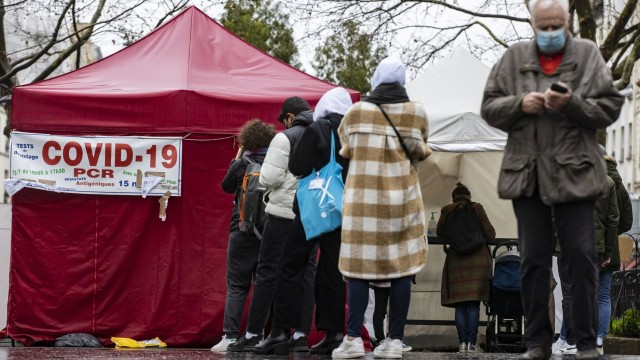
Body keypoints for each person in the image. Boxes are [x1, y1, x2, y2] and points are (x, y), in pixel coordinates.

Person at [481, 0, 624, 358]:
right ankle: (537, 343)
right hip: (527, 175)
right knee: (533, 260)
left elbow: (610, 107)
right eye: (542, 27)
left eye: (554, 26)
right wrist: (520, 105)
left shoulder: (588, 55)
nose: (549, 33)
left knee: (581, 258)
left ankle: (587, 343)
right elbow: (488, 107)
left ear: (567, 23)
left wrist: (571, 103)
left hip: (576, 175)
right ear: (532, 26)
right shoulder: (514, 58)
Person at [331, 55, 431, 359]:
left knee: (359, 268)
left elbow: (345, 147)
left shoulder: (357, 112)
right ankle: (395, 341)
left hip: (363, 201)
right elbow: (422, 149)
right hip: (403, 200)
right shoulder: (416, 113)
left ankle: (351, 340)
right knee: (402, 268)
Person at [255, 87, 353, 355]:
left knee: (290, 265)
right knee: (332, 270)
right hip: (340, 208)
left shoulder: (318, 128)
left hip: (313, 207)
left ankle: (280, 331)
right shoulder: (353, 132)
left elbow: (298, 166)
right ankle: (333, 333)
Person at [227, 97, 318, 352]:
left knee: (268, 272)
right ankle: (299, 335)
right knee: (305, 274)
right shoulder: (322, 133)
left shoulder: (284, 137)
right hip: (311, 214)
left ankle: (255, 333)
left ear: (289, 116)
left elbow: (269, 178)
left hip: (283, 213)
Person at [211, 119, 276, 352]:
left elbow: (226, 187)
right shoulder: (275, 163)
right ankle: (256, 335)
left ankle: (229, 336)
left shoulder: (241, 163)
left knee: (237, 286)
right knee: (263, 285)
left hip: (240, 231)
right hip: (268, 233)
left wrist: (235, 163)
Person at [437, 182, 495, 353]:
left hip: (456, 261)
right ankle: (472, 343)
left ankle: (462, 343)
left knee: (460, 305)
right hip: (478, 262)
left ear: (453, 197)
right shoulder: (477, 208)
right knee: (474, 304)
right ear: (469, 196)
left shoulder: (447, 209)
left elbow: (440, 233)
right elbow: (491, 234)